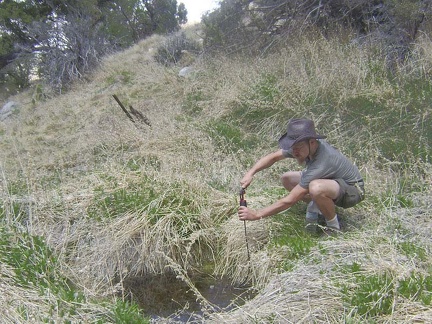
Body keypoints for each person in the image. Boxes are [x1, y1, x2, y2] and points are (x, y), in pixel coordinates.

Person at [238, 118, 365, 233]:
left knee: (316, 188)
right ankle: (318, 206)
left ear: (312, 142)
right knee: (287, 179)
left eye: (298, 147)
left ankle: (333, 226)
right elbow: (273, 157)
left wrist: (256, 215)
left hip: (352, 190)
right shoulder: (302, 147)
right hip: (332, 182)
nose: (294, 151)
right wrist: (250, 173)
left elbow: (290, 200)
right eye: (292, 147)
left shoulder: (322, 162)